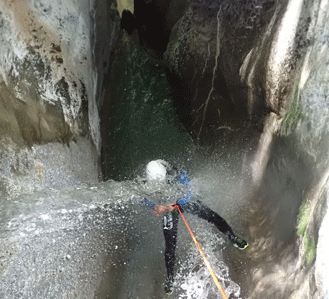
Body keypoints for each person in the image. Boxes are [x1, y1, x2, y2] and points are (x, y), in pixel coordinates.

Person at [142, 159, 248, 295]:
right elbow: (141, 197)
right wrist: (154, 206)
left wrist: (178, 204)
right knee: (170, 243)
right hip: (166, 208)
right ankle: (170, 278)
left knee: (213, 216)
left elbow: (190, 190)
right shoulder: (145, 182)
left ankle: (233, 238)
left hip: (181, 200)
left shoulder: (175, 173)